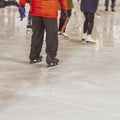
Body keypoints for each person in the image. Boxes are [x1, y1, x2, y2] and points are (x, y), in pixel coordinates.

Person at [18, 0, 67, 67]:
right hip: (50, 11)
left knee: (37, 35)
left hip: (36, 11)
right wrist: (64, 8)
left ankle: (34, 56)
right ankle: (51, 59)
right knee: (51, 36)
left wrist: (21, 5)